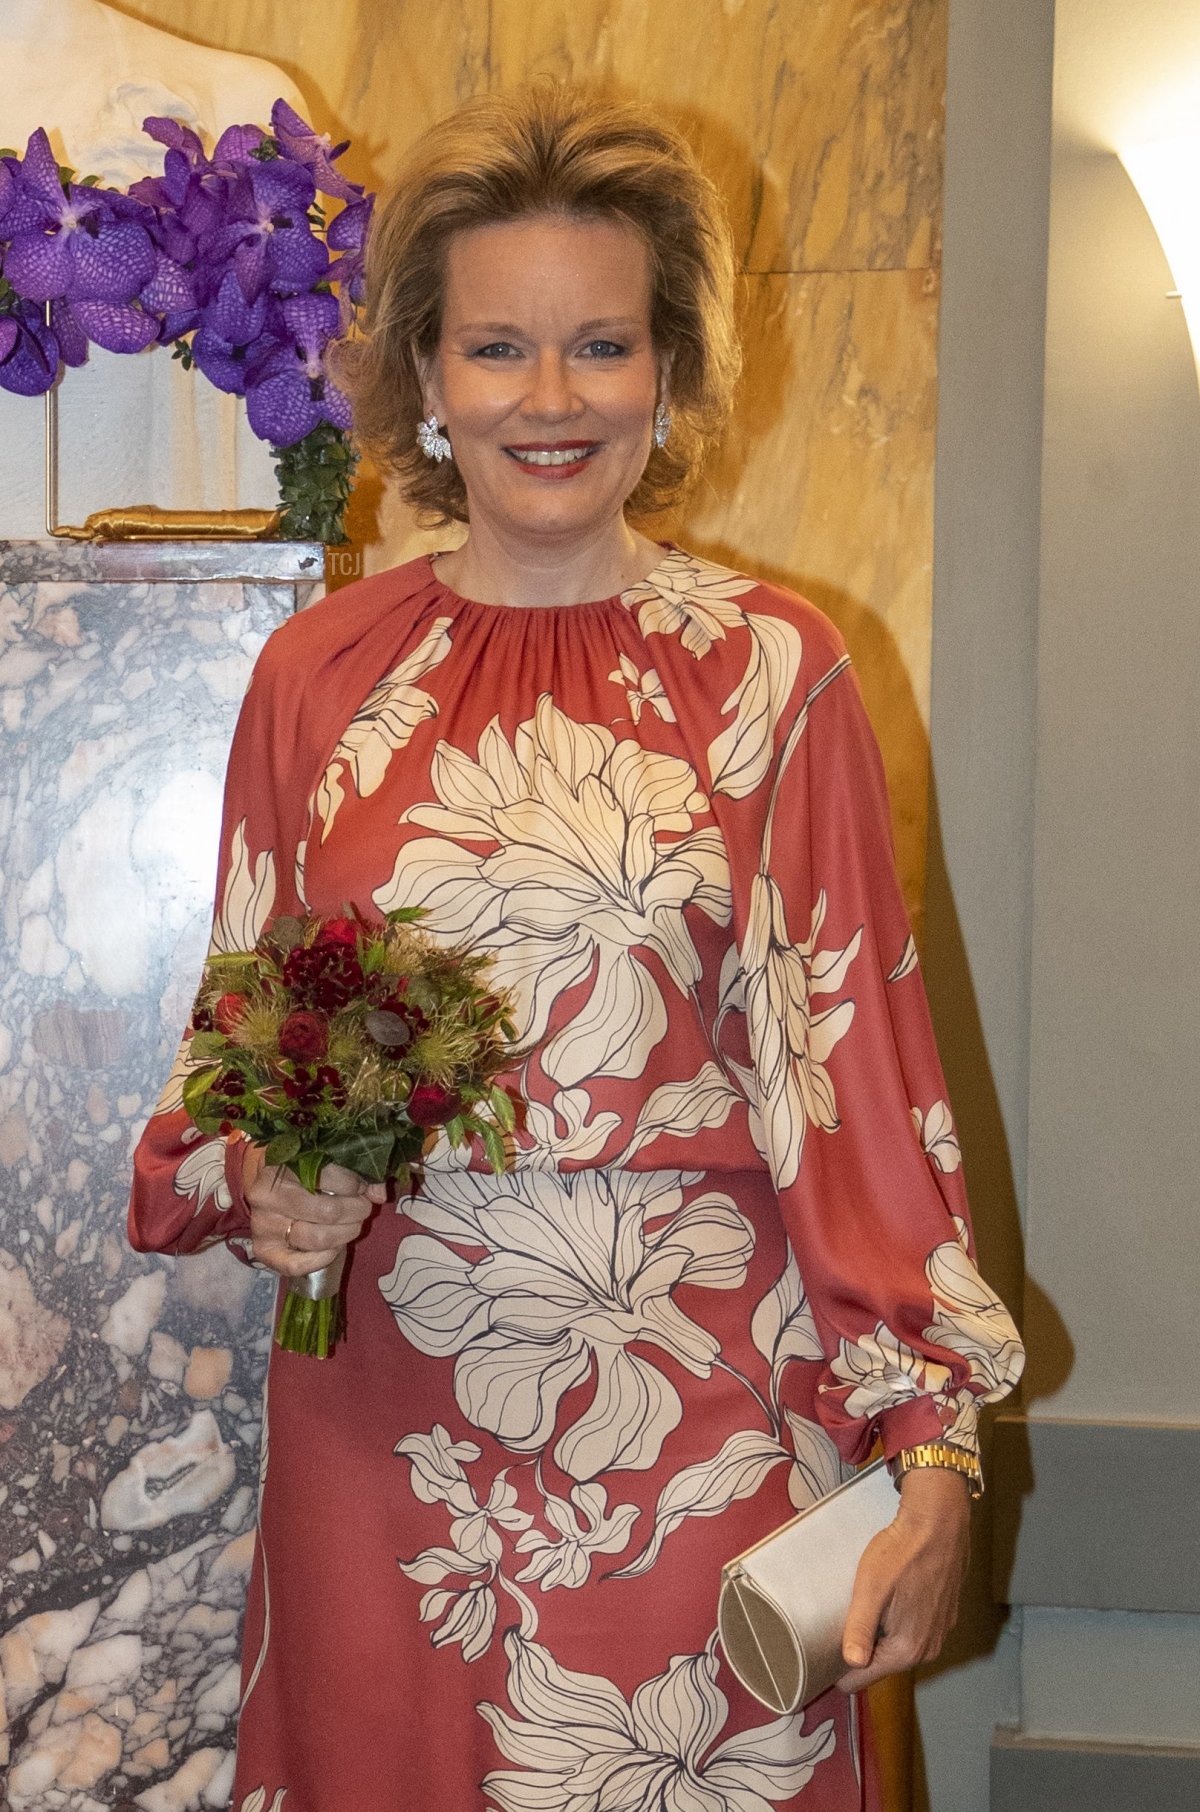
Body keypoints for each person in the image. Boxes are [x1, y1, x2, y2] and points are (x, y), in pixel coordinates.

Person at [129, 83, 1024, 1812]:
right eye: (497, 351)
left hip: (706, 1446)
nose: (550, 402)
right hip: (385, 1448)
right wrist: (261, 1175)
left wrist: (930, 1447)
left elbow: (859, 1091)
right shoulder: (315, 675)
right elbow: (222, 1078)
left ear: (670, 374)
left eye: (602, 347)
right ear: (424, 377)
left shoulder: (779, 671)